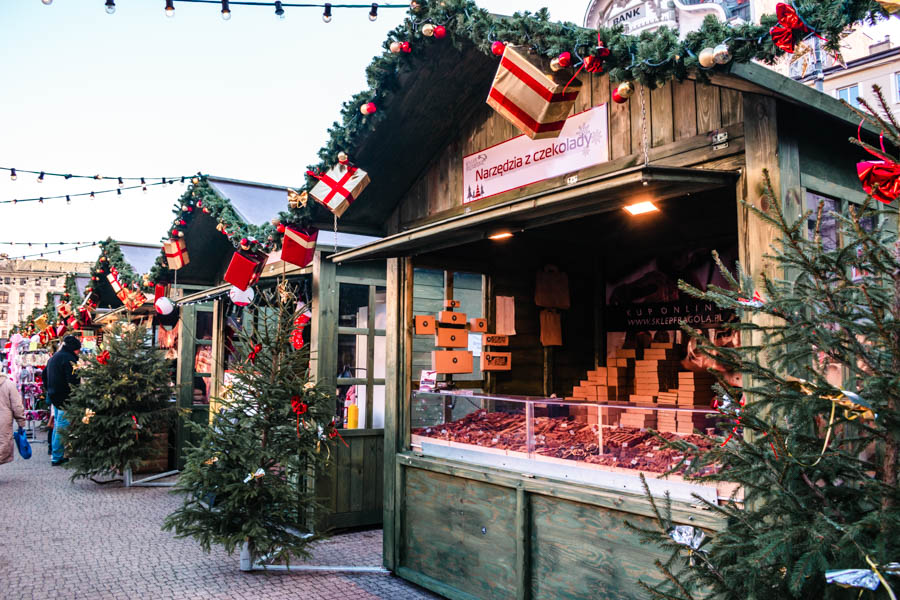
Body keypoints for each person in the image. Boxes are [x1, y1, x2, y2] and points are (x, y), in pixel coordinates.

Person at [46, 335, 81, 465]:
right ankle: (56, 456)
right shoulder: (69, 359)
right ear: (74, 348)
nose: (79, 352)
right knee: (62, 427)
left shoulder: (55, 357)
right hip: (64, 397)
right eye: (78, 349)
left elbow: (45, 375)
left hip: (54, 395)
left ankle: (57, 454)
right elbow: (72, 380)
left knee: (58, 424)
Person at [0, 370, 26, 466]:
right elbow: (17, 405)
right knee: (3, 444)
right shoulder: (9, 384)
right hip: (3, 420)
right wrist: (21, 422)